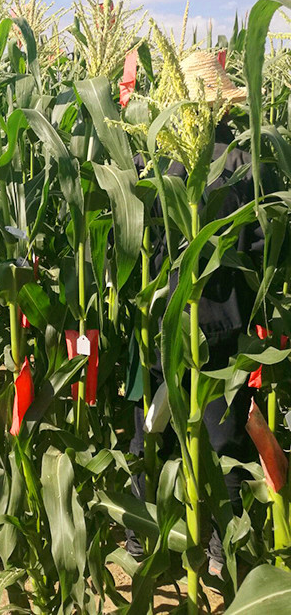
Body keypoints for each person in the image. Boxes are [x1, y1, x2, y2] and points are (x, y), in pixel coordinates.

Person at [127, 52, 266, 574]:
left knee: (151, 432)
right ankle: (222, 552)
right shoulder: (245, 163)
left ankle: (140, 539)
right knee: (225, 441)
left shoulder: (157, 163)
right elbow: (260, 249)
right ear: (223, 105)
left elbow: (140, 244)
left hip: (167, 326)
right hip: (225, 328)